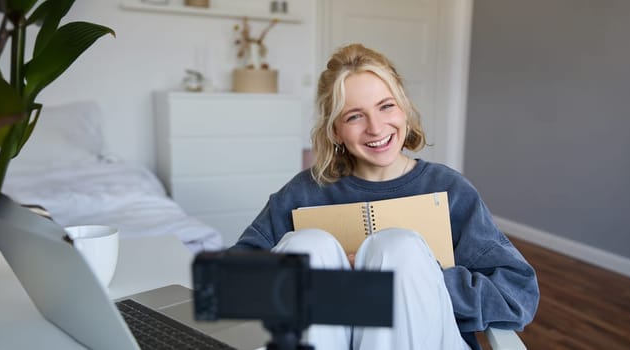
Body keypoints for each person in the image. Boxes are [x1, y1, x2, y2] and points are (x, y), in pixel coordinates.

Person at [231, 43, 539, 350]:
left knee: (399, 249)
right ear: (335, 130)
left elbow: (517, 296)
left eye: (386, 106)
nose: (376, 127)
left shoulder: (449, 190)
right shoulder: (304, 192)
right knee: (307, 248)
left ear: (403, 106)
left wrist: (422, 281)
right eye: (354, 116)